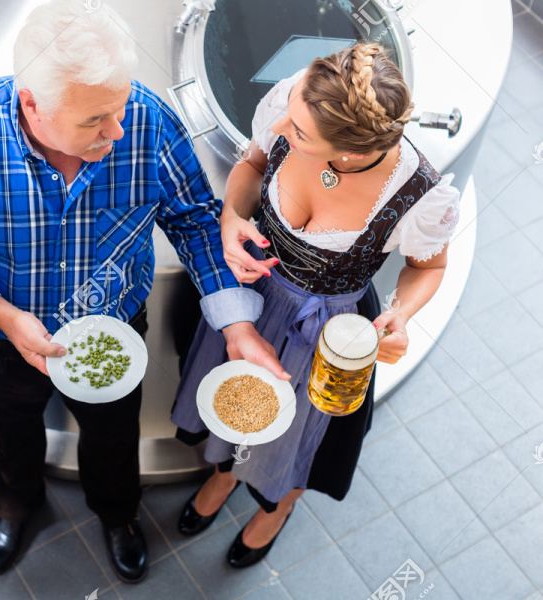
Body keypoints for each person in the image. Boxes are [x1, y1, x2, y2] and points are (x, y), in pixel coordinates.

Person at [0, 0, 286, 584]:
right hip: (2, 338)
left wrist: (238, 326)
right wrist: (2, 314)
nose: (118, 130)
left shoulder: (147, 121)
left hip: (115, 331)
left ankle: (119, 515)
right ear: (32, 105)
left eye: (119, 108)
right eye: (95, 120)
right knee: (9, 430)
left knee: (113, 438)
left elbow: (196, 220)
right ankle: (14, 505)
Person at [171, 42, 460, 568]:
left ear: (347, 152)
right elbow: (252, 165)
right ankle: (224, 475)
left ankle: (274, 509)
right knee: (239, 402)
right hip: (252, 293)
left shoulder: (420, 195)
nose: (282, 129)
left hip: (328, 329)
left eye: (300, 134)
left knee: (307, 435)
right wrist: (233, 218)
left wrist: (399, 312)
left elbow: (429, 267)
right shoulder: (297, 102)